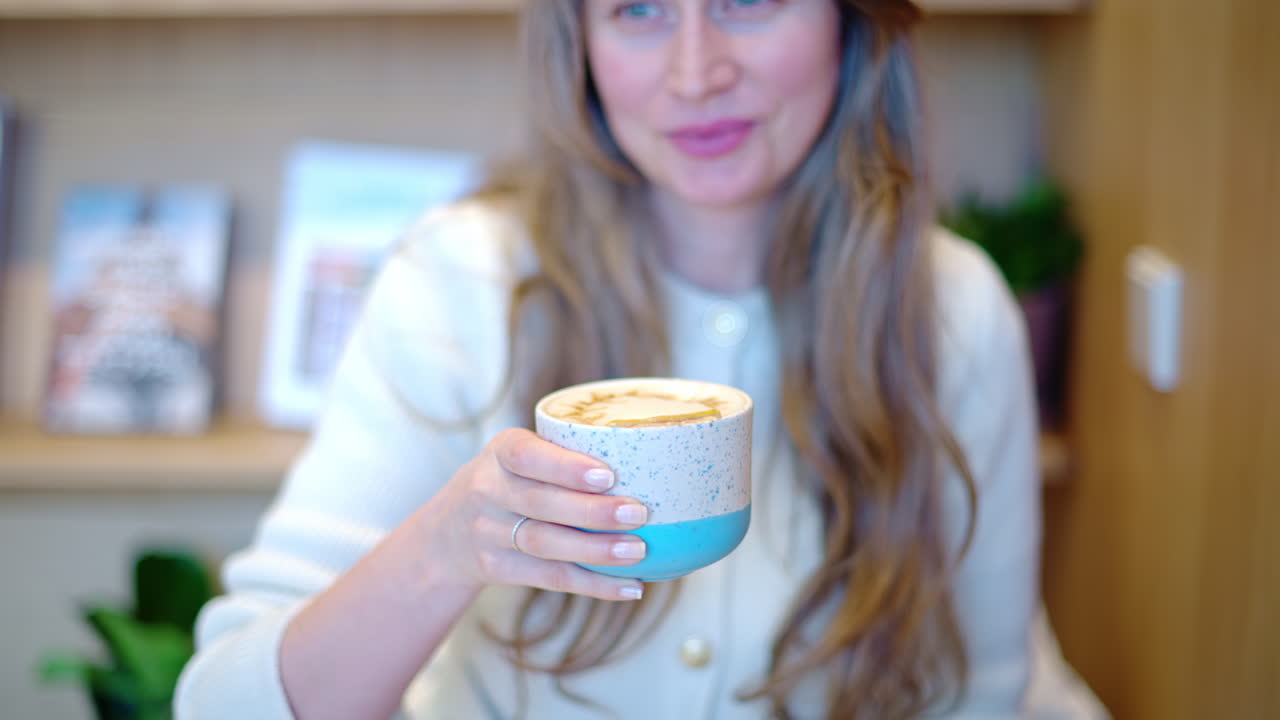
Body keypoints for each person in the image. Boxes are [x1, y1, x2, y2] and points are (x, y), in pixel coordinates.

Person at [176, 1, 1109, 718]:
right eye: (637, 9)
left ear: (851, 22)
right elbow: (224, 701)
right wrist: (445, 549)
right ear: (576, 42)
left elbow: (983, 695)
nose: (697, 72)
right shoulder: (459, 282)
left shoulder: (954, 311)